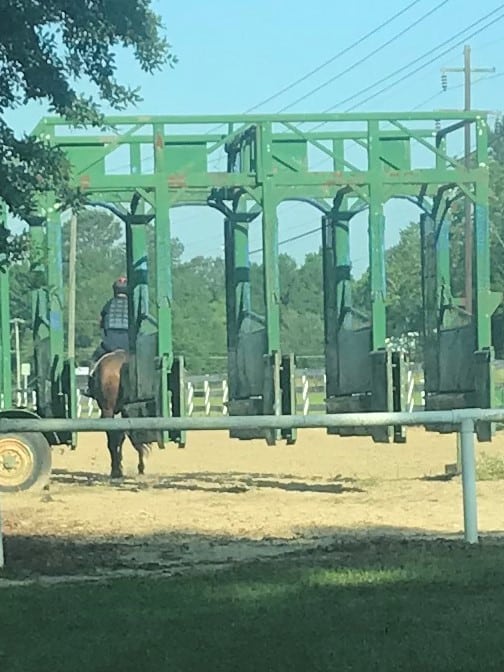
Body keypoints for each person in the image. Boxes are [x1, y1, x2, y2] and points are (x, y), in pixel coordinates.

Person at [84, 276, 130, 397]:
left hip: (110, 343)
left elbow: (102, 324)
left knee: (93, 360)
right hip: (128, 344)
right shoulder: (132, 306)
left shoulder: (108, 305)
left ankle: (88, 386)